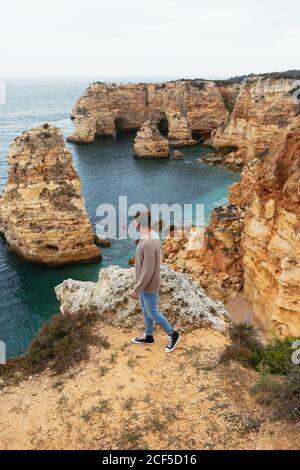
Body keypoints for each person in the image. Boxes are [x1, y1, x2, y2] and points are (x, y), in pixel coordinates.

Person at [130, 211, 180, 353]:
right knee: (146, 311)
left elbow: (148, 270)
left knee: (152, 312)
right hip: (144, 284)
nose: (134, 223)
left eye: (135, 221)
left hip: (148, 285)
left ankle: (173, 334)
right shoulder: (148, 237)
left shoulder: (149, 241)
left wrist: (136, 289)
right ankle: (149, 336)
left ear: (141, 223)